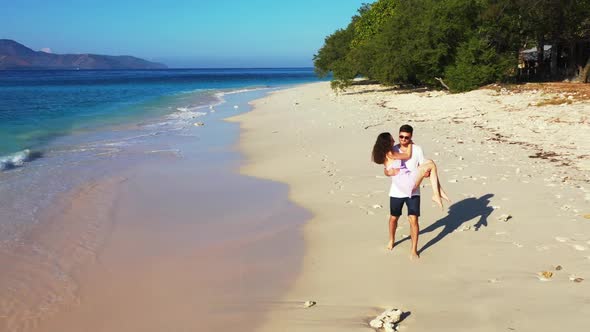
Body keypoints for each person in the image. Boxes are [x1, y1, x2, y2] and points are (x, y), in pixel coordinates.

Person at [371, 130, 449, 259]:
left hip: (412, 187)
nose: (401, 139)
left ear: (411, 136)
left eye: (406, 137)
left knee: (413, 220)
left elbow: (422, 165)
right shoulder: (392, 151)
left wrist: (425, 174)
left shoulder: (417, 150)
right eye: (399, 137)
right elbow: (402, 158)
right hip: (400, 189)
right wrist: (387, 172)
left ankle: (414, 249)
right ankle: (391, 240)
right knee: (393, 218)